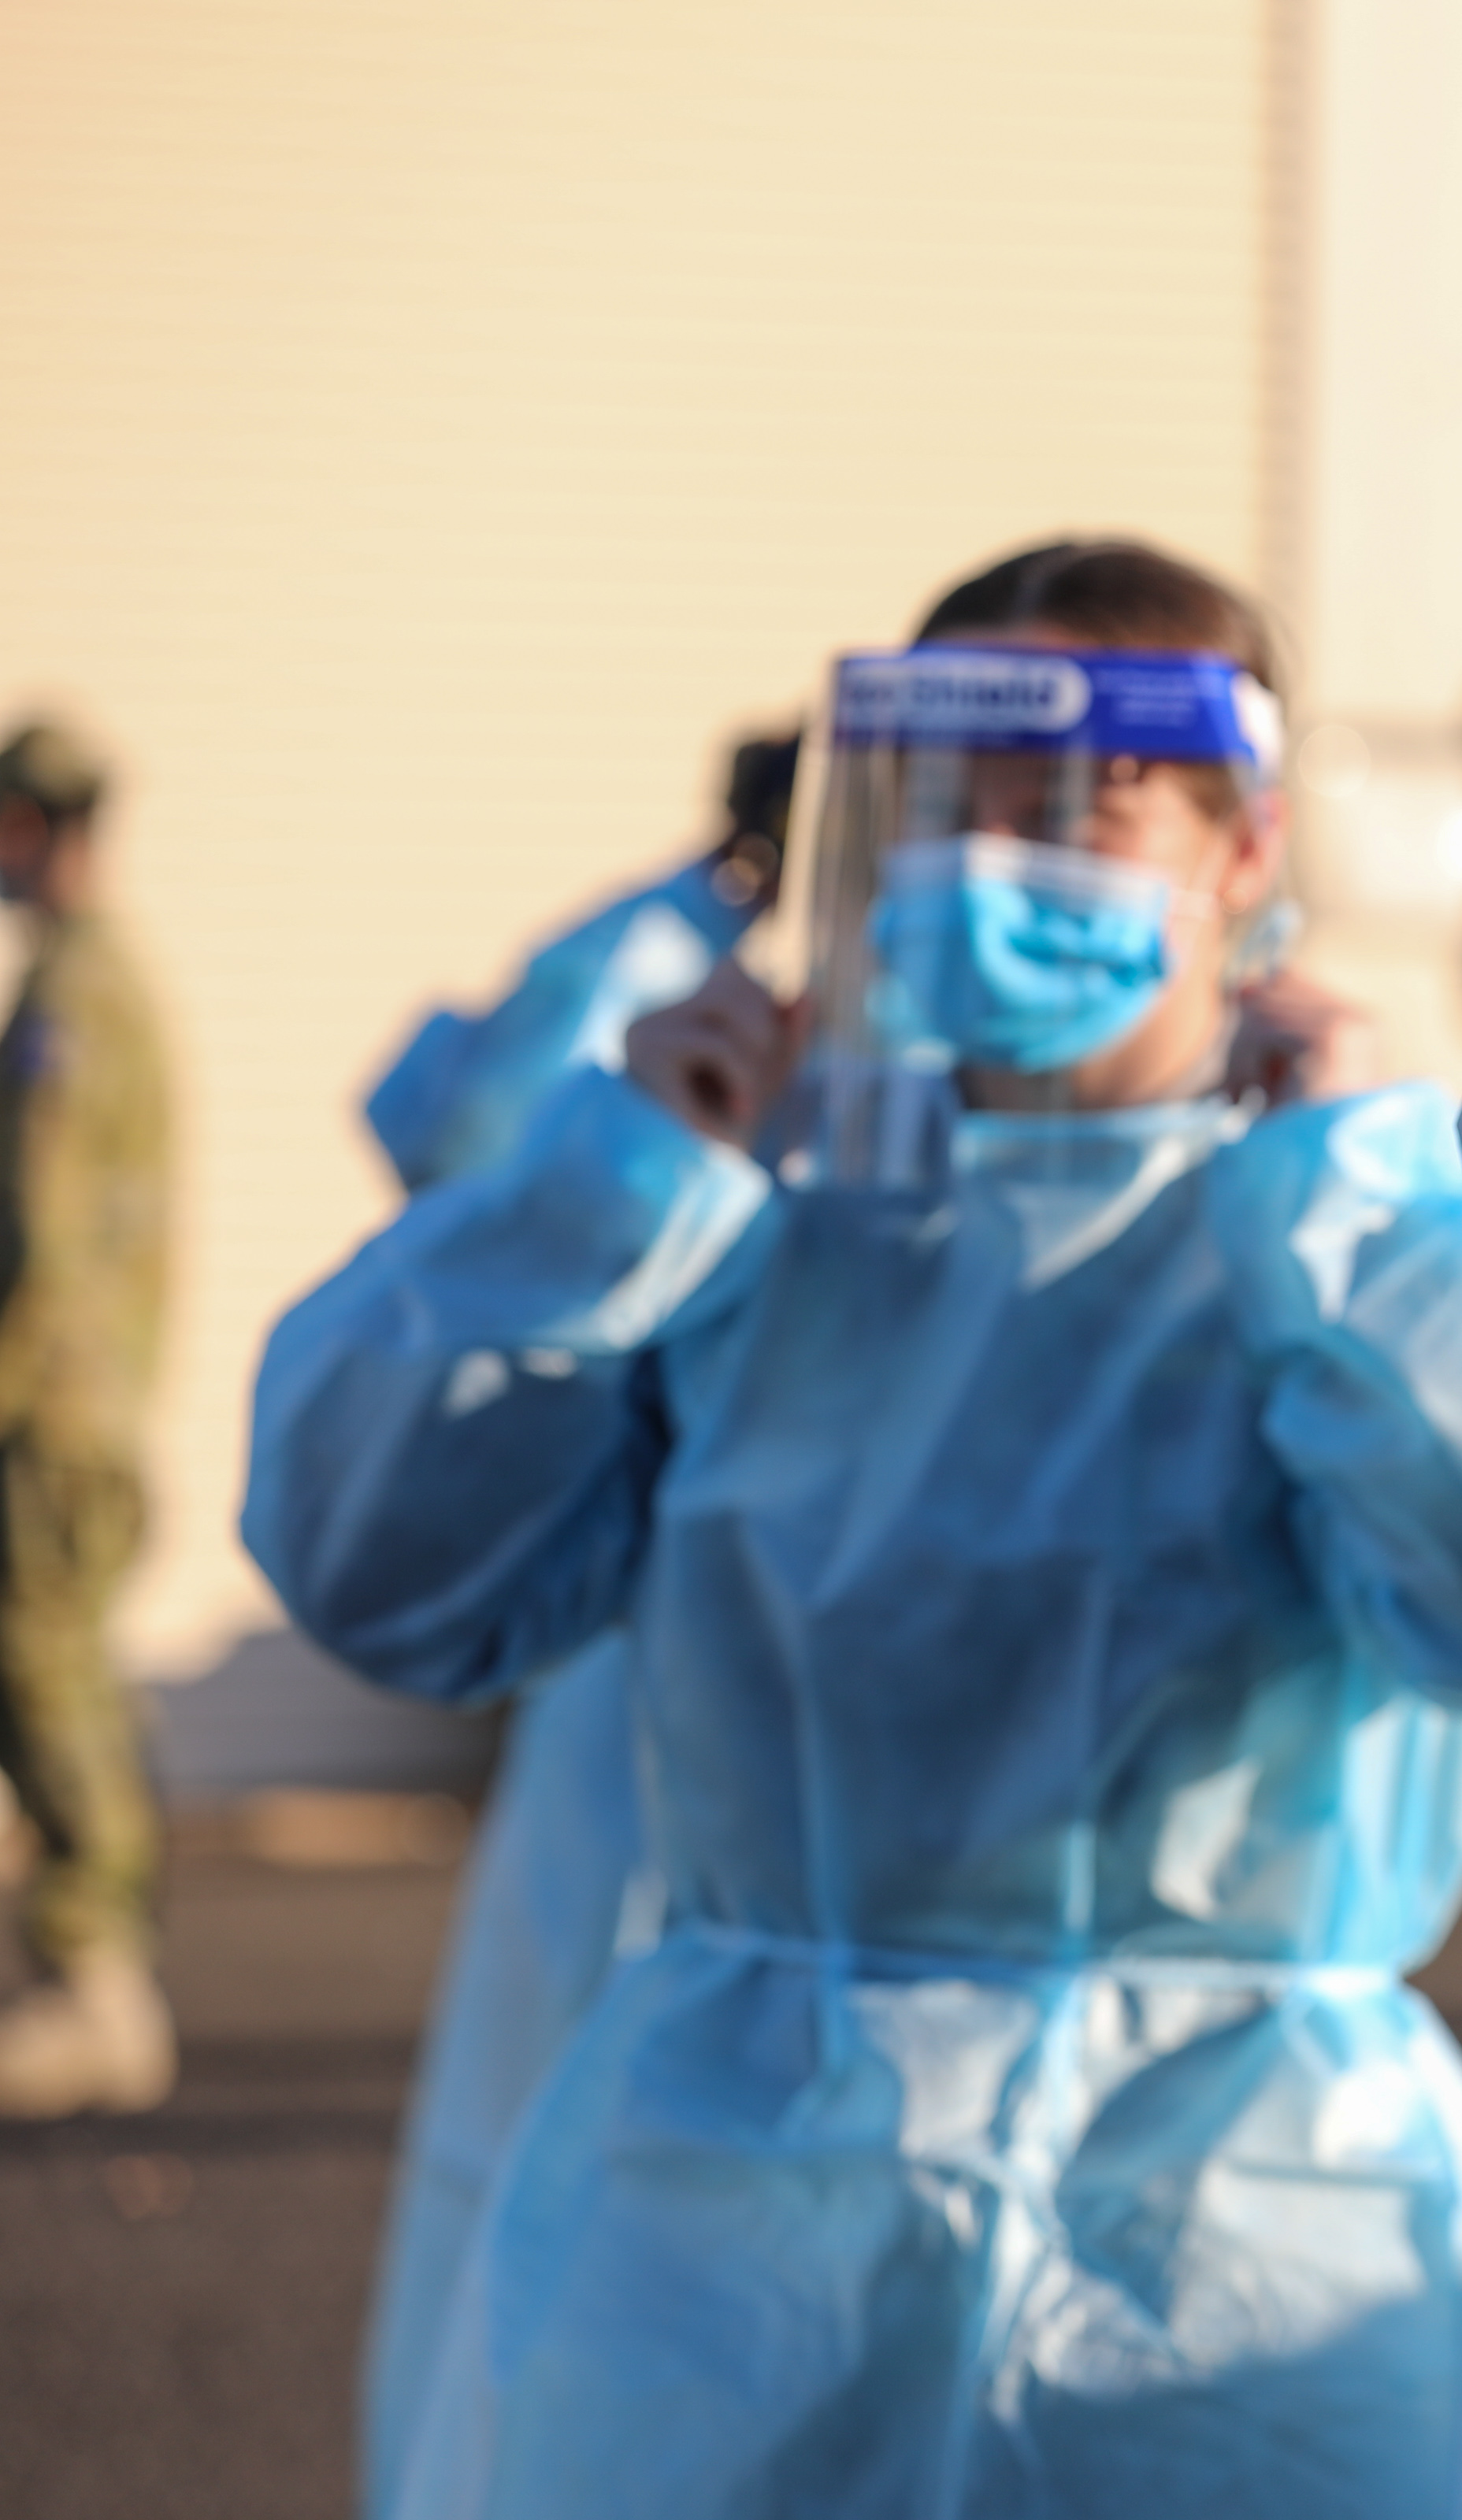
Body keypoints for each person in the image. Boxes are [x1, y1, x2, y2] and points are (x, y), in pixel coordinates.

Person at [244, 538, 1462, 2518]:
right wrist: (610, 1188)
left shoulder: (1352, 1225)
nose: (1009, 849)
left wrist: (1353, 1211)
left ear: (1241, 844)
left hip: (1249, 2231)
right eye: (960, 793)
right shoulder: (742, 1213)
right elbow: (377, 1567)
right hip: (738, 2236)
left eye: (1090, 796)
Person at [350, 731, 791, 2514]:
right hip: (656, 1621)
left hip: (734, 1631)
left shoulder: (652, 943)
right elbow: (465, 1156)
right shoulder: (671, 971)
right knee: (578, 2111)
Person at [0, 717, 176, 2120]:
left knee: (47, 1679)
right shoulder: (100, 984)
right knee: (60, 1679)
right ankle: (91, 1978)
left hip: (51, 1416)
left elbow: (44, 1247)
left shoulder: (76, 996)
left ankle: (94, 1985)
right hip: (77, 1409)